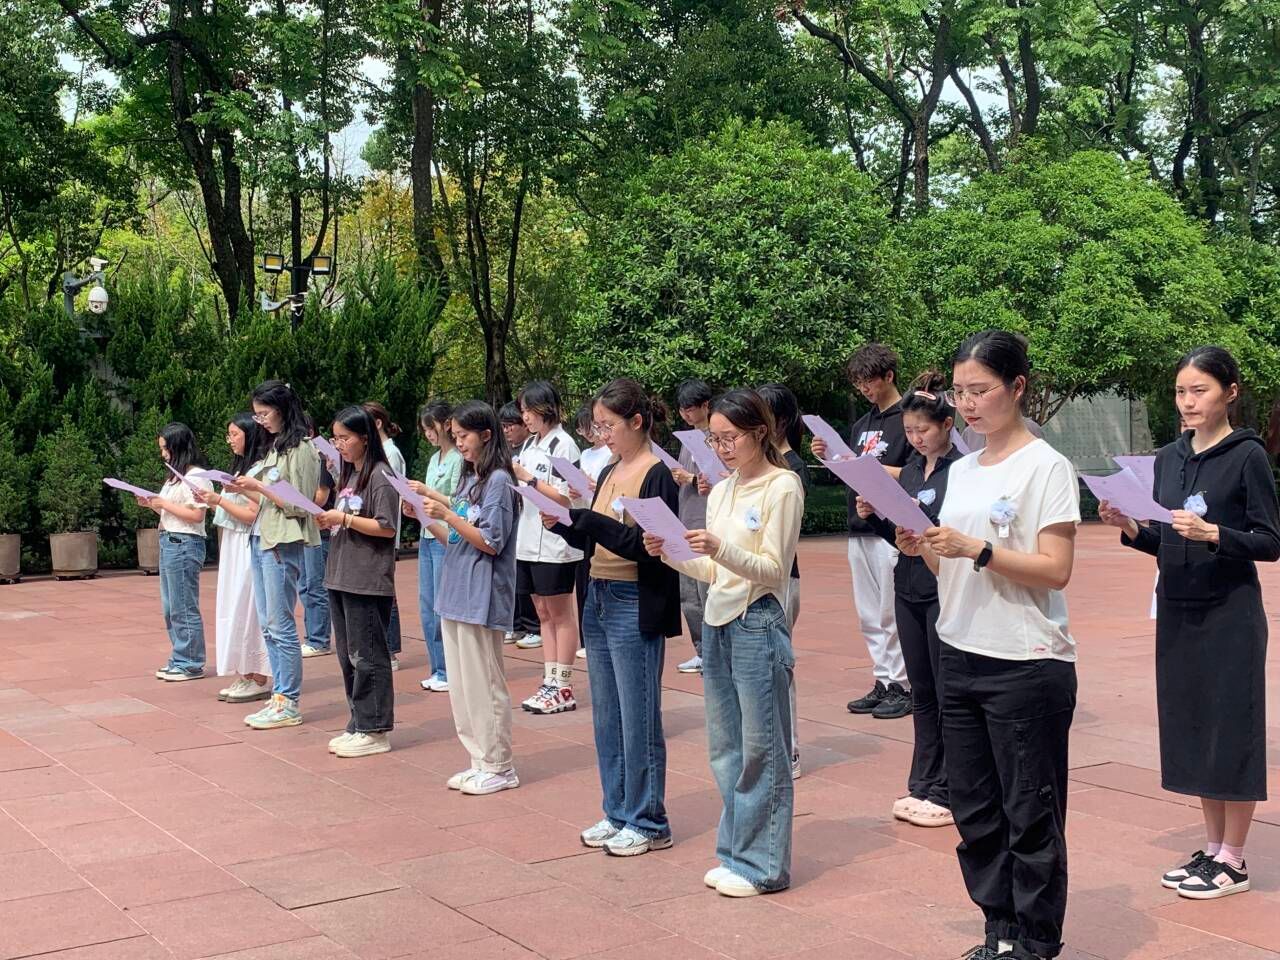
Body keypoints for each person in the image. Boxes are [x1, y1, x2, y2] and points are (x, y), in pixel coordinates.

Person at [896, 330, 1080, 960]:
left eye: (980, 390)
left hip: (1024, 662)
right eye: (959, 392)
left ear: (1017, 387)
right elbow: (949, 568)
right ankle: (998, 930)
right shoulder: (964, 470)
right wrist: (924, 548)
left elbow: (1055, 569)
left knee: (1029, 810)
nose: (968, 405)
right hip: (959, 649)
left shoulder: (1046, 466)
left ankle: (1036, 941)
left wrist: (977, 549)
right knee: (975, 810)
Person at [1099, 346, 1280, 900]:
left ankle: (1235, 860)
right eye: (1181, 391)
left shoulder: (1247, 456)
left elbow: (1270, 541)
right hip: (1178, 608)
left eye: (1199, 390)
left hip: (1229, 614)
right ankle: (1213, 848)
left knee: (1230, 729)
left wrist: (1215, 534)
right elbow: (1164, 536)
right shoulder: (1170, 457)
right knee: (1196, 728)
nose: (1187, 401)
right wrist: (1131, 526)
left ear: (1230, 392)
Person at [645, 389, 803, 896]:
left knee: (763, 748)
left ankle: (764, 865)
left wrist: (720, 548)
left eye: (730, 437)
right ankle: (736, 853)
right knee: (726, 749)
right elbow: (712, 570)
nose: (722, 448)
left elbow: (773, 569)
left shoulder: (782, 485)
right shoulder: (722, 490)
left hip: (758, 619)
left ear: (759, 432)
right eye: (714, 440)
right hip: (718, 621)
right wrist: (668, 552)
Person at [545, 379, 681, 856]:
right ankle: (617, 810)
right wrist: (565, 523)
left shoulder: (657, 473)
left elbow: (648, 546)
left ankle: (649, 820)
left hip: (634, 599)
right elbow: (597, 539)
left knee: (637, 714)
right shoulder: (608, 471)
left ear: (636, 422)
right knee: (607, 714)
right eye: (597, 427)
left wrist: (589, 521)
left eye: (608, 426)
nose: (601, 435)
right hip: (599, 595)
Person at [856, 372, 959, 825]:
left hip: (942, 589)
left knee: (945, 688)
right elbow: (904, 539)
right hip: (908, 586)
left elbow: (949, 535)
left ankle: (949, 786)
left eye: (924, 430)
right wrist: (875, 518)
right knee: (922, 689)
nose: (916, 439)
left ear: (947, 425)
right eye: (910, 431)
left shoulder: (961, 471)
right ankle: (923, 780)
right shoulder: (914, 470)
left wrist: (925, 522)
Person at [422, 400, 520, 796]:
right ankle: (479, 759)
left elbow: (491, 542)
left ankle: (499, 764)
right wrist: (428, 518)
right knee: (462, 687)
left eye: (464, 436)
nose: (459, 442)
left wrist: (448, 515)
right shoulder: (469, 479)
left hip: (481, 594)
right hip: (456, 591)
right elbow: (457, 539)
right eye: (456, 436)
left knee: (484, 683)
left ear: (486, 435)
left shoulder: (499, 481)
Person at [812, 343, 912, 719]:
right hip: (860, 525)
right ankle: (883, 679)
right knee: (869, 614)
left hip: (892, 527)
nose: (864, 389)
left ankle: (904, 684)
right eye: (858, 383)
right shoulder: (862, 425)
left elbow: (917, 472)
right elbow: (851, 470)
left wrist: (869, 468)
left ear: (889, 376)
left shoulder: (909, 419)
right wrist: (830, 457)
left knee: (891, 611)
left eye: (869, 381)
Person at [230, 379, 322, 730]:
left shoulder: (302, 448)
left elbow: (301, 504)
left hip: (282, 540)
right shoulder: (276, 447)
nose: (260, 420)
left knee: (280, 624)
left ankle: (288, 700)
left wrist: (258, 486)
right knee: (269, 624)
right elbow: (269, 498)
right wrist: (244, 488)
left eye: (264, 413)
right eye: (256, 415)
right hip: (262, 536)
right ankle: (279, 696)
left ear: (282, 409)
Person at [317, 406, 400, 758]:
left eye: (345, 438)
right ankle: (358, 721)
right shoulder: (350, 476)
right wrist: (330, 519)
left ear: (365, 438)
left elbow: (387, 526)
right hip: (341, 574)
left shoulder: (380, 475)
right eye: (335, 438)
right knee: (348, 656)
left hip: (366, 577)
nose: (339, 445)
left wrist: (345, 519)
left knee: (368, 655)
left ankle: (375, 728)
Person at [512, 381, 586, 715]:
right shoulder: (529, 443)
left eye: (528, 410)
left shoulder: (564, 444)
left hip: (556, 541)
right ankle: (549, 680)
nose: (525, 417)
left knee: (560, 613)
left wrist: (528, 479)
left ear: (545, 408)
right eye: (523, 411)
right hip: (527, 538)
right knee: (541, 612)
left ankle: (563, 685)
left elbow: (567, 496)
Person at [195, 413, 271, 702]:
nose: (230, 440)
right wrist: (213, 502)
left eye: (235, 434)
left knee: (249, 607)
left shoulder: (259, 470)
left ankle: (259, 675)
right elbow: (233, 510)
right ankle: (244, 672)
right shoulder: (241, 467)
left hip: (248, 543)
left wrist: (219, 500)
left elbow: (253, 515)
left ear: (251, 435)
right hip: (233, 542)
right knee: (234, 607)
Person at [757, 382, 809, 779]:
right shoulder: (759, 467)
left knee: (778, 666)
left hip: (780, 578)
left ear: (782, 421)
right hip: (751, 576)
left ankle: (788, 749)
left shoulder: (792, 470)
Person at [142, 423, 213, 682]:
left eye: (166, 448)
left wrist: (163, 503)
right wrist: (153, 504)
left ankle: (190, 661)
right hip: (169, 540)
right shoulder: (174, 476)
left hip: (184, 543)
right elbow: (170, 512)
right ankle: (180, 656)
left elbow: (196, 515)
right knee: (171, 606)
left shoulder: (197, 476)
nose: (163, 454)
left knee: (183, 605)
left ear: (178, 446)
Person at [407, 400, 463, 692]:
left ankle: (448, 669)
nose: (429, 434)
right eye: (425, 429)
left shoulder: (457, 458)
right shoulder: (434, 459)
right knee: (427, 604)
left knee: (442, 605)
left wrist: (427, 492)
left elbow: (458, 501)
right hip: (427, 534)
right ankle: (437, 667)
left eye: (432, 428)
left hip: (445, 535)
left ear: (446, 425)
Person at [670, 378, 713, 675]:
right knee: (689, 595)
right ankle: (701, 651)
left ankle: (714, 652)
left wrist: (691, 479)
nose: (686, 414)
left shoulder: (718, 438)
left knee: (706, 591)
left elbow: (722, 477)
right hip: (685, 518)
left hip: (706, 520)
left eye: (691, 408)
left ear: (705, 406)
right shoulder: (688, 440)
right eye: (682, 409)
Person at [364, 401, 405, 670]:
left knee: (386, 592)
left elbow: (395, 493)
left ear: (377, 423)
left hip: (385, 530)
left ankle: (390, 649)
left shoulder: (391, 454)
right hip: (372, 529)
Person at [573, 400, 612, 660]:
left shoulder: (610, 453)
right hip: (585, 516)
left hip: (602, 518)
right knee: (583, 580)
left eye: (592, 427)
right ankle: (586, 638)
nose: (588, 434)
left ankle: (600, 636)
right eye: (582, 429)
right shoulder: (585, 454)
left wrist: (591, 486)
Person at [502, 400, 542, 649]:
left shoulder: (537, 447)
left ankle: (533, 626)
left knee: (534, 586)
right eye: (503, 426)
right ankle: (516, 624)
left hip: (534, 520)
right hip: (517, 515)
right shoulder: (511, 450)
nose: (507, 430)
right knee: (515, 576)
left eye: (511, 425)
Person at [299, 414, 335, 659]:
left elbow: (321, 497)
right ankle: (313, 635)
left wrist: (293, 499)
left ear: (310, 432)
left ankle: (319, 639)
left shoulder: (322, 457)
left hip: (320, 530)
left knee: (316, 585)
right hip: (305, 528)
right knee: (305, 585)